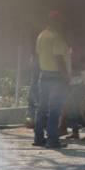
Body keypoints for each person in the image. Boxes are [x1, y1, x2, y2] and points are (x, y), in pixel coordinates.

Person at [33, 11, 71, 149]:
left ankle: (38, 138)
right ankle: (52, 140)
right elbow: (59, 58)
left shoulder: (41, 36)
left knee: (42, 108)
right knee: (54, 109)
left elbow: (39, 54)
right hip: (56, 77)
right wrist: (66, 76)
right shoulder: (57, 37)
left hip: (43, 75)